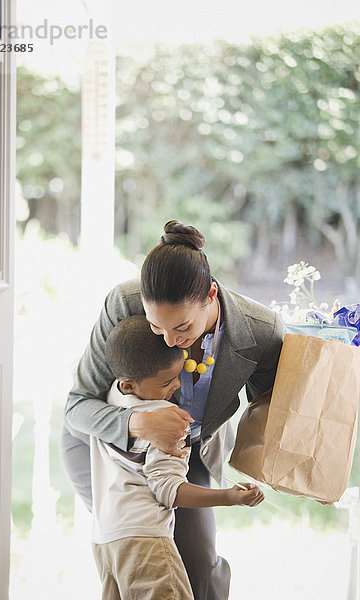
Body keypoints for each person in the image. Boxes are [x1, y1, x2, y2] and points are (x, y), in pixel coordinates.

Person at [61, 220, 284, 599]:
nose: (170, 340)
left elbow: (271, 419)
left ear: (211, 294)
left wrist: (310, 473)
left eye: (181, 326)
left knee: (198, 571)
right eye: (155, 327)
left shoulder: (261, 332)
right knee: (136, 555)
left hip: (184, 453)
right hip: (106, 452)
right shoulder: (124, 304)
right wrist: (138, 423)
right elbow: (77, 406)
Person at [91, 315, 264, 600]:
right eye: (167, 382)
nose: (176, 387)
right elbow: (169, 490)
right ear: (130, 384)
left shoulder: (110, 399)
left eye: (178, 375)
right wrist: (229, 497)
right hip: (146, 542)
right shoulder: (166, 421)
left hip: (106, 540)